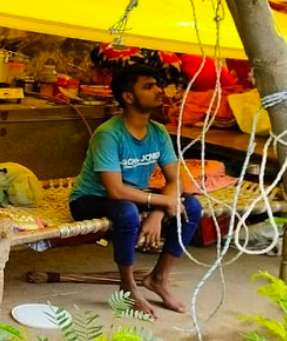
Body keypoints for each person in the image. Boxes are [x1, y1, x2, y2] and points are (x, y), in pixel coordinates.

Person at [69, 65, 202, 317]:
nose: (159, 91)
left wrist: (158, 212)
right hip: (90, 200)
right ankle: (128, 286)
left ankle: (158, 279)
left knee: (192, 206)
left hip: (135, 195)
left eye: (157, 85)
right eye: (148, 87)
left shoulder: (158, 131)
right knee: (127, 212)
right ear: (128, 97)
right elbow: (116, 190)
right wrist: (161, 201)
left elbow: (178, 181)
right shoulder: (108, 134)